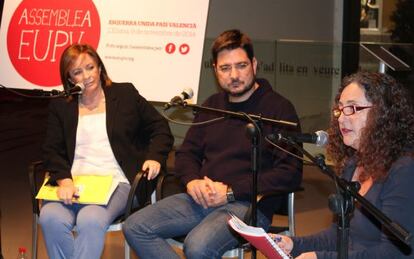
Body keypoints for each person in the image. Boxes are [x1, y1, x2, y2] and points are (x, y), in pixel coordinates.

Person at [123, 29, 303, 258]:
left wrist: (230, 192)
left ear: (254, 65)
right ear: (215, 71)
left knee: (197, 247)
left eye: (241, 66)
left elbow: (290, 173)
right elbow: (186, 154)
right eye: (225, 68)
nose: (234, 75)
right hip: (201, 197)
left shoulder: (278, 109)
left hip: (249, 203)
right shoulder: (212, 106)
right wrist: (192, 181)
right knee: (135, 227)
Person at [39, 43, 174, 259]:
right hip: (73, 183)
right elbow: (51, 150)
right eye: (77, 72)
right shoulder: (61, 105)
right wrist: (64, 179)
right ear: (70, 79)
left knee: (90, 219)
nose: (86, 76)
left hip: (115, 181)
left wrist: (154, 157)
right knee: (50, 217)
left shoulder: (125, 94)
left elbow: (160, 129)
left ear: (100, 68)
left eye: (90, 67)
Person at [273, 72, 414, 258]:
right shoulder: (353, 165)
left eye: (353, 108)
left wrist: (321, 257)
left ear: (382, 114)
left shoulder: (403, 170)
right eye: (340, 109)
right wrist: (294, 244)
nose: (341, 118)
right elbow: (338, 235)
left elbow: (397, 254)